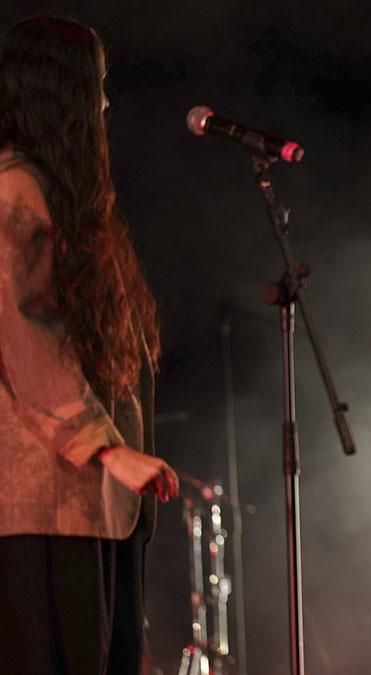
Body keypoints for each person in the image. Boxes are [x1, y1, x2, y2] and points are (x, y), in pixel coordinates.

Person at [0, 16, 180, 674]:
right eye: (94, 87)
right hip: (45, 507)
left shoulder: (62, 197)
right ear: (58, 93)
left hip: (89, 504)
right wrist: (104, 446)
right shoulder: (13, 192)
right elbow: (23, 337)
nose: (103, 104)